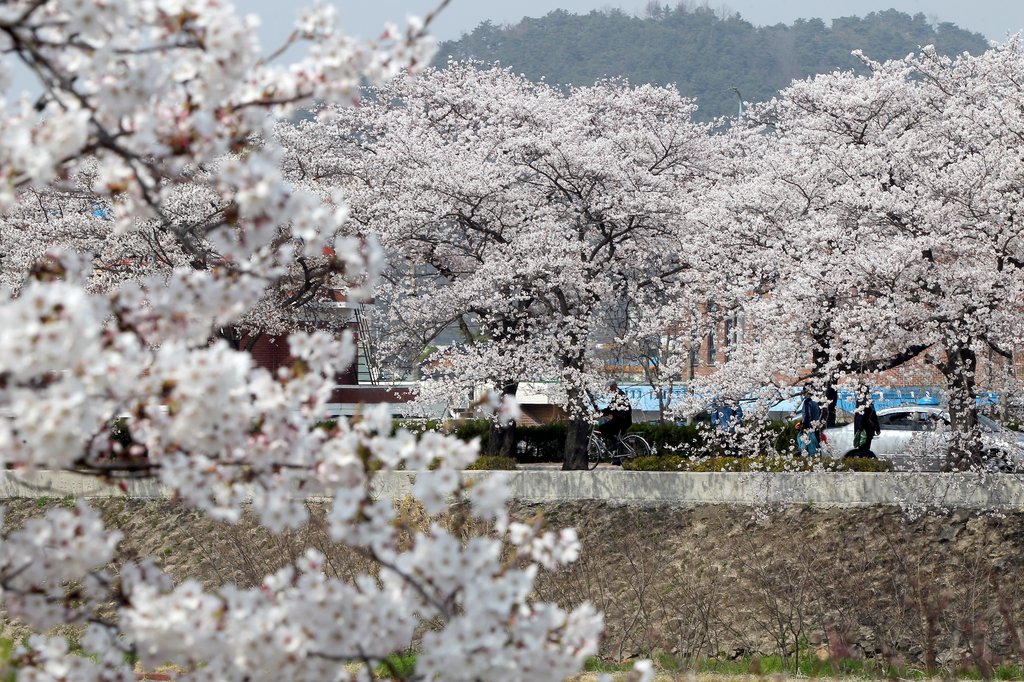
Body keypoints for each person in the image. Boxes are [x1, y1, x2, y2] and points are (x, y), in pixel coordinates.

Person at [598, 381, 633, 451]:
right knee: (619, 439)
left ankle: (615, 443)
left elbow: (611, 408)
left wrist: (601, 413)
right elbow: (612, 408)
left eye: (610, 388)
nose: (609, 390)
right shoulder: (619, 393)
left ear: (614, 386)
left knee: (602, 427)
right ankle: (617, 458)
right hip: (624, 420)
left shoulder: (618, 395)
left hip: (622, 421)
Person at [853, 390, 881, 456]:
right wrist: (877, 428)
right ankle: (865, 460)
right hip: (868, 428)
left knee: (862, 448)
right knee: (866, 448)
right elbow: (874, 416)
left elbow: (859, 417)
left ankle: (863, 461)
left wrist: (859, 428)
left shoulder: (861, 402)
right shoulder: (868, 402)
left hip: (864, 429)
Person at [798, 390, 821, 456]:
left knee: (807, 446)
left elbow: (807, 415)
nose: (803, 395)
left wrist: (805, 427)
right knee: (815, 445)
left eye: (803, 392)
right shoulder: (816, 401)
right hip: (815, 426)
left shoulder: (807, 402)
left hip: (809, 427)